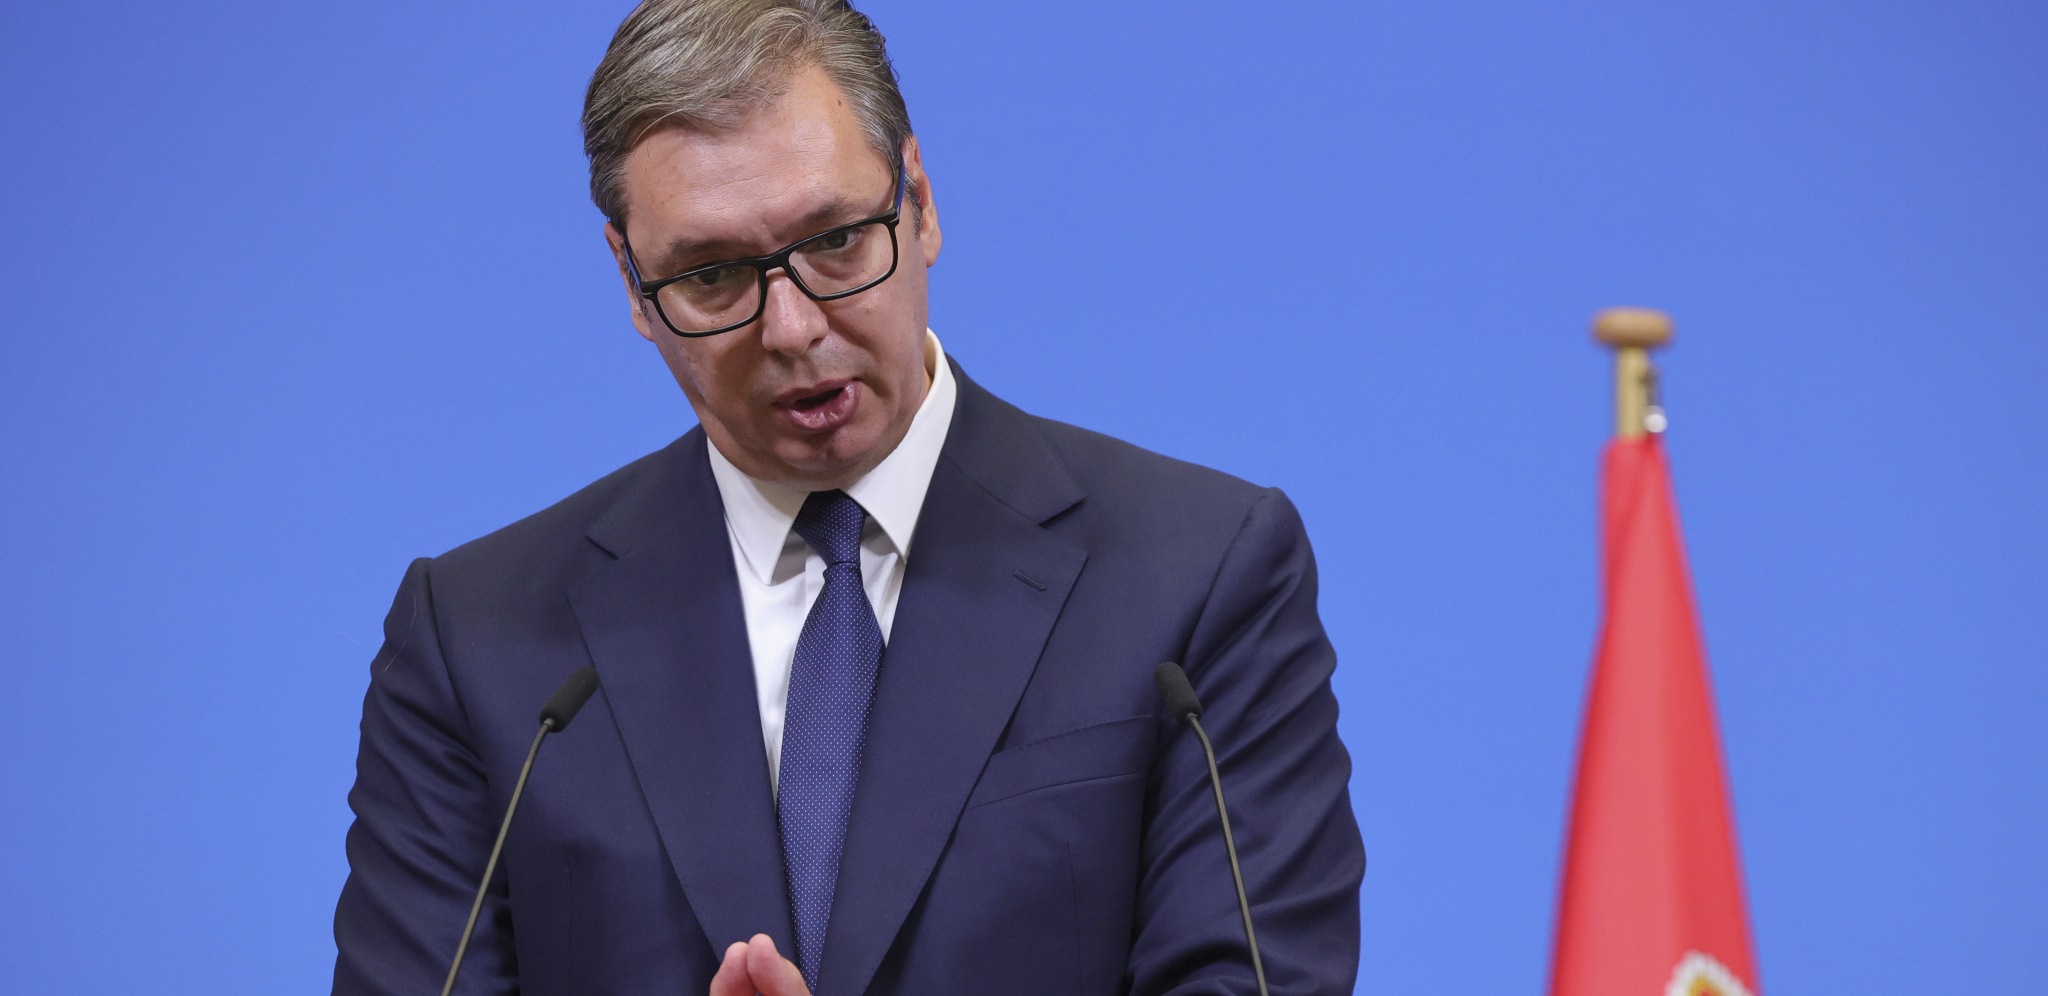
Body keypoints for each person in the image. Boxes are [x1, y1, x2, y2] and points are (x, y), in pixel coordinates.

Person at [331, 1, 1363, 994]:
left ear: (920, 202)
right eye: (712, 275)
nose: (790, 329)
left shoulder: (1198, 578)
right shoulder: (479, 645)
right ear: (632, 283)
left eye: (833, 242)